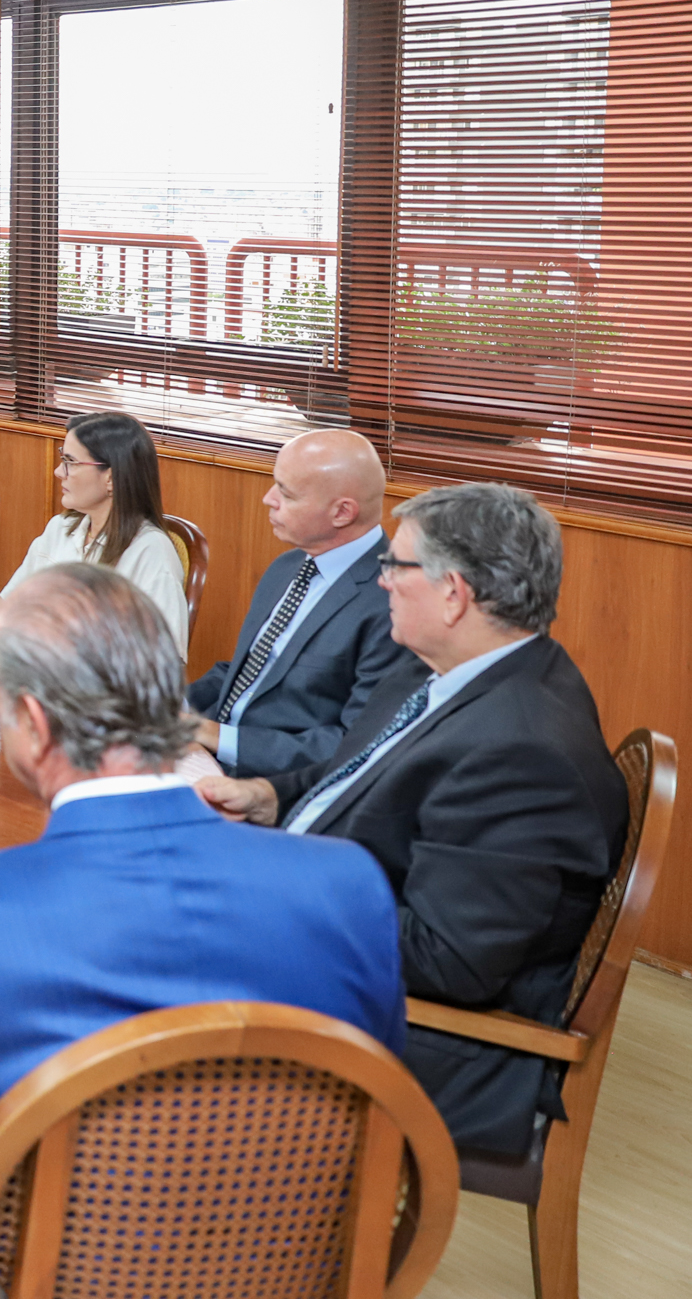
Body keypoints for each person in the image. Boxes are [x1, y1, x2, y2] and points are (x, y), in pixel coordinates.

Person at [0, 563, 406, 1299]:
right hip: (280, 1267)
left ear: (33, 726)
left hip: (37, 1276)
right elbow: (377, 1105)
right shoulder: (350, 886)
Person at [197, 483, 626, 1159]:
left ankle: (156, 1219)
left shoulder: (522, 751)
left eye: (394, 566)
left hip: (421, 1039)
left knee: (130, 963)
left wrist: (270, 889)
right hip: (345, 939)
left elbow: (448, 960)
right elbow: (358, 777)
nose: (380, 582)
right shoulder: (451, 670)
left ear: (453, 593)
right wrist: (265, 798)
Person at [186, 429, 415, 778]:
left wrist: (217, 737)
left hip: (273, 785)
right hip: (204, 751)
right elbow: (246, 672)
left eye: (286, 493)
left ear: (342, 512)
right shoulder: (289, 566)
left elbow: (356, 744)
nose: (268, 499)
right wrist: (163, 706)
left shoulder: (393, 600)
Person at [0, 411, 188, 659]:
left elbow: (163, 662)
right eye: (62, 459)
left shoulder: (151, 552)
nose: (58, 472)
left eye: (71, 462)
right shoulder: (60, 528)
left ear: (111, 477)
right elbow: (1, 610)